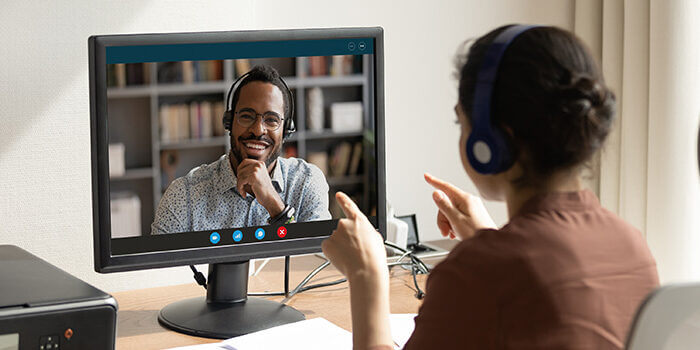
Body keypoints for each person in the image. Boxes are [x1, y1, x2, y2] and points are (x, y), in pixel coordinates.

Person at [322, 25, 659, 349]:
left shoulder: (481, 273)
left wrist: (367, 274)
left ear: (489, 142)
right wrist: (488, 238)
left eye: (461, 121)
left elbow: (507, 283)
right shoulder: (632, 246)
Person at [152, 65, 331, 234]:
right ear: (229, 122)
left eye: (271, 120)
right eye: (247, 116)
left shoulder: (307, 182)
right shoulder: (184, 195)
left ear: (285, 131)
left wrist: (275, 205)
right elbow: (157, 265)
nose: (258, 130)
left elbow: (316, 261)